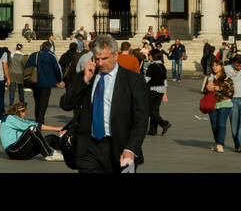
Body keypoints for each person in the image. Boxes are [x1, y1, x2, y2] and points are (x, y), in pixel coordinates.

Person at [60, 34, 149, 173]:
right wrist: (84, 81)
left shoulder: (133, 80)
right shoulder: (86, 76)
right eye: (97, 59)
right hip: (89, 148)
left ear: (116, 55)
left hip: (121, 147)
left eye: (105, 58)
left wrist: (131, 148)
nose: (100, 63)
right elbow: (66, 104)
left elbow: (141, 118)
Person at [0, 102, 64, 161]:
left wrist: (58, 129)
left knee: (51, 138)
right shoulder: (10, 118)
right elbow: (32, 126)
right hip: (14, 151)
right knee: (32, 129)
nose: (24, 115)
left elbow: (32, 123)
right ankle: (49, 154)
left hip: (23, 150)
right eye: (24, 113)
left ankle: (65, 154)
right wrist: (57, 128)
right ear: (20, 112)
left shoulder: (17, 120)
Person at [25, 39, 63, 126]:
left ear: (41, 47)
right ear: (50, 48)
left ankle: (37, 118)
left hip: (35, 81)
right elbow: (57, 69)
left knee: (37, 101)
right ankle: (40, 120)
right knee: (44, 102)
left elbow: (28, 67)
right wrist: (59, 79)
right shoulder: (52, 56)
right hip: (47, 82)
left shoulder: (34, 55)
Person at [205, 59, 234, 152]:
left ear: (221, 66)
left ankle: (220, 144)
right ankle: (217, 141)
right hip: (212, 103)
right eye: (213, 65)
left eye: (216, 65)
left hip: (224, 103)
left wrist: (219, 88)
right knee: (214, 125)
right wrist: (207, 88)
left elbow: (231, 92)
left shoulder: (226, 78)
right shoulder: (210, 78)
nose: (214, 67)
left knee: (221, 124)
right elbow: (204, 92)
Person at [145, 49, 171, 136]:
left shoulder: (151, 66)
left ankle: (164, 123)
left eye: (149, 55)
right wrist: (165, 93)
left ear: (153, 56)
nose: (149, 57)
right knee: (155, 110)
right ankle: (153, 130)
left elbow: (147, 79)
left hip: (152, 90)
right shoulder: (162, 66)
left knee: (150, 110)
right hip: (161, 90)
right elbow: (165, 81)